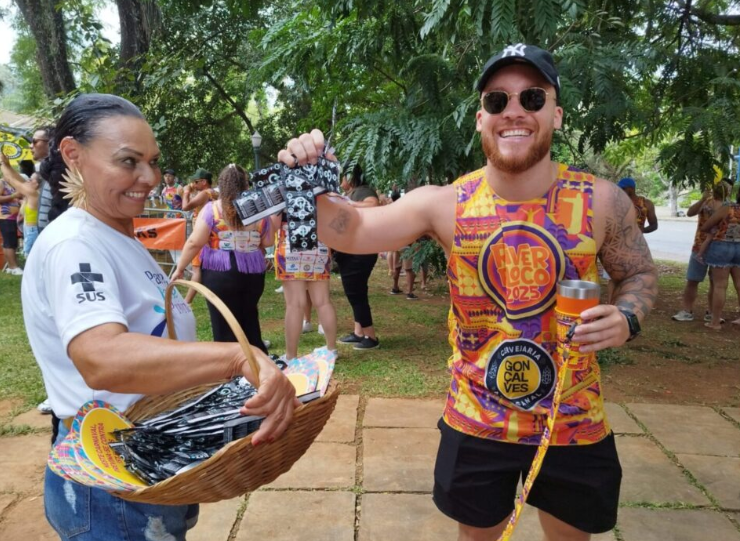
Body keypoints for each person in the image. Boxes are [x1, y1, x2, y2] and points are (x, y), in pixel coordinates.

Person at [280, 44, 657, 541]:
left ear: (557, 114)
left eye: (533, 98)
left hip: (572, 418)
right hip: (477, 419)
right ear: (482, 119)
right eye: (498, 101)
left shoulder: (602, 201)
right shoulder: (445, 205)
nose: (515, 111)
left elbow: (639, 274)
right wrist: (308, 176)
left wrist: (626, 316)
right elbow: (347, 229)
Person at [21, 94, 297, 541]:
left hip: (149, 456)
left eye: (151, 161)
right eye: (128, 162)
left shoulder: (115, 235)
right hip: (112, 476)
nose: (148, 177)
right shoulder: (75, 244)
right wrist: (235, 358)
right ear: (73, 154)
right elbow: (101, 357)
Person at [171, 164, 272, 352]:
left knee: (223, 322)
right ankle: (257, 363)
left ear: (222, 184)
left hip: (220, 272)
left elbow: (194, 242)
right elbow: (267, 241)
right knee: (249, 316)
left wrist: (179, 268)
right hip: (252, 273)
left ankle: (231, 368)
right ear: (246, 185)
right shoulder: (258, 208)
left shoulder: (212, 209)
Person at [270, 208, 337, 361]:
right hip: (319, 245)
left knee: (294, 304)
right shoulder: (321, 189)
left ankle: (291, 355)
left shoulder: (281, 191)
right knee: (323, 302)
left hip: (289, 245)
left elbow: (273, 225)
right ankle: (331, 349)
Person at [335, 164, 381, 349]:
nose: (341, 181)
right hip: (352, 252)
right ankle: (358, 332)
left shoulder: (363, 191)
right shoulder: (352, 194)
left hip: (360, 253)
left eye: (342, 177)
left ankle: (371, 337)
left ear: (350, 177)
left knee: (356, 293)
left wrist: (349, 204)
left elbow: (372, 204)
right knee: (356, 292)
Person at [671, 182, 732, 323]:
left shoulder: (729, 206)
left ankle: (712, 312)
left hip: (719, 247)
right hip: (700, 246)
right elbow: (690, 212)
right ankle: (687, 311)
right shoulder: (707, 203)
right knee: (693, 279)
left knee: (715, 282)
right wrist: (703, 199)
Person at [700, 185, 740, 329]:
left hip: (721, 246)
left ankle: (715, 321)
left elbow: (705, 226)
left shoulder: (728, 208)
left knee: (720, 285)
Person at [182, 168, 217, 304]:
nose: (193, 184)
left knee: (196, 268)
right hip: (209, 232)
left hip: (201, 233)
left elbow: (185, 207)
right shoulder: (214, 193)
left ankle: (187, 301)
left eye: (195, 181)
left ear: (203, 182)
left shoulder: (204, 193)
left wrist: (186, 192)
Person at [0, 168, 24, 275]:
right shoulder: (0, 183)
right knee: (9, 241)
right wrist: (14, 195)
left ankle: (11, 265)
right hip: (4, 216)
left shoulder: (12, 184)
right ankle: (13, 266)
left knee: (12, 241)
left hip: (13, 217)